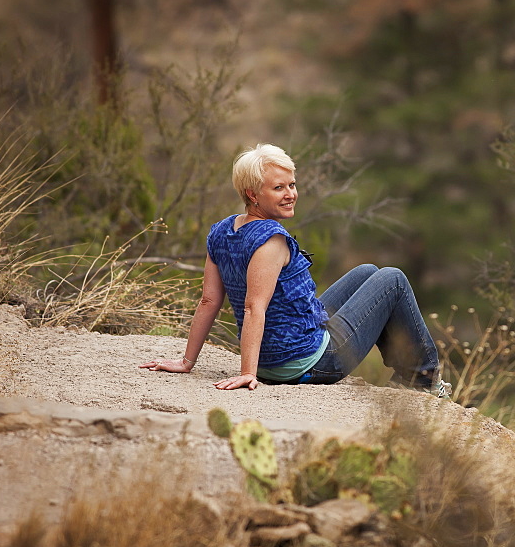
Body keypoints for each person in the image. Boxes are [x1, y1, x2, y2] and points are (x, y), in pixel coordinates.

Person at [139, 143, 450, 398]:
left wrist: (186, 361)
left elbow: (208, 301)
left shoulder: (221, 232)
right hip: (308, 363)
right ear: (252, 194)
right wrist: (248, 373)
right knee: (392, 280)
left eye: (292, 184)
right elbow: (253, 308)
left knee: (367, 271)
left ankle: (409, 373)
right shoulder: (271, 241)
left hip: (278, 353)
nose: (290, 194)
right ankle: (424, 378)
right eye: (278, 188)